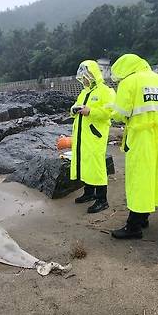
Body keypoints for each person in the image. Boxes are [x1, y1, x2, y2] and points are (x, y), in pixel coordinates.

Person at [109, 54, 158, 239]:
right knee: (152, 176)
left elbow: (120, 114)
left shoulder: (130, 82)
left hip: (139, 137)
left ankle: (133, 226)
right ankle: (144, 216)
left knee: (138, 178)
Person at [69, 60, 116, 213]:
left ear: (93, 74)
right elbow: (73, 109)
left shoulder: (106, 91)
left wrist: (91, 111)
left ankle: (102, 200)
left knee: (97, 165)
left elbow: (111, 112)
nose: (84, 80)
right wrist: (74, 110)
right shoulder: (84, 92)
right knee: (85, 163)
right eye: (82, 77)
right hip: (82, 136)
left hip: (95, 136)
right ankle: (89, 193)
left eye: (86, 76)